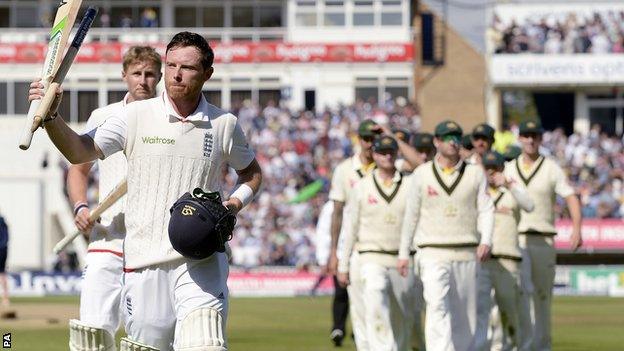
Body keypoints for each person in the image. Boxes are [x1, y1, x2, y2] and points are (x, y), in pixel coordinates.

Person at [29, 31, 263, 350]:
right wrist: (52, 117)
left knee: (205, 343)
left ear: (208, 74)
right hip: (142, 262)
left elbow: (251, 174)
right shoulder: (133, 116)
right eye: (171, 65)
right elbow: (78, 152)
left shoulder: (224, 124)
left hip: (201, 257)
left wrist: (233, 204)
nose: (176, 74)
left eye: (188, 68)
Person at [65, 46, 162, 349]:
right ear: (124, 75)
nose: (143, 80)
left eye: (149, 74)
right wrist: (81, 205)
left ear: (159, 77)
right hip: (106, 238)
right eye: (137, 73)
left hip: (151, 245)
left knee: (148, 340)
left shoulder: (171, 118)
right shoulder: (103, 115)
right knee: (91, 335)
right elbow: (78, 170)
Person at [398, 120, 495, 351]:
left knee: (464, 315)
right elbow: (411, 215)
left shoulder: (474, 174)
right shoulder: (421, 174)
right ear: (436, 142)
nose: (452, 142)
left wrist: (486, 240)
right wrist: (403, 253)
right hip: (432, 251)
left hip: (465, 251)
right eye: (447, 137)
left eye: (456, 137)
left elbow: (486, 209)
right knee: (437, 306)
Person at [506, 120, 582, 351]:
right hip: (515, 239)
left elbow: (570, 196)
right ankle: (523, 345)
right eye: (526, 135)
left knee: (541, 297)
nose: (530, 140)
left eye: (535, 136)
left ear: (540, 139)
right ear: (519, 139)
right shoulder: (509, 168)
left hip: (543, 238)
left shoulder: (551, 168)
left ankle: (542, 346)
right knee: (521, 296)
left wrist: (577, 228)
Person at [337, 135, 415, 351]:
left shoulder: (411, 184)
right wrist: (343, 265)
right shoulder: (362, 186)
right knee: (376, 305)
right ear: (375, 155)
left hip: (403, 259)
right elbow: (350, 227)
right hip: (371, 256)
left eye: (391, 152)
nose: (387, 156)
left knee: (403, 317)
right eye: (382, 152)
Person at [327, 119, 381, 348]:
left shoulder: (387, 166)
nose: (371, 144)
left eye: (375, 139)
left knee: (378, 307)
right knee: (358, 308)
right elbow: (337, 213)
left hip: (379, 245)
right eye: (367, 139)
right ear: (359, 140)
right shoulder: (344, 170)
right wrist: (334, 252)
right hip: (353, 247)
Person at [474, 151, 534, 351]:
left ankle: (511, 347)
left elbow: (530, 205)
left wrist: (510, 184)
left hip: (508, 260)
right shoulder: (477, 192)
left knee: (509, 312)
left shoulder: (512, 191)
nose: (491, 173)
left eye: (495, 169)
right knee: (482, 312)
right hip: (482, 261)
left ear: (502, 169)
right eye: (487, 169)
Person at [0, 214, 9, 308]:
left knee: (2, 274)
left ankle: (5, 298)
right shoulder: (3, 221)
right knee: (2, 274)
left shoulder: (1, 222)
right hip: (3, 250)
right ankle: (5, 298)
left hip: (1, 250)